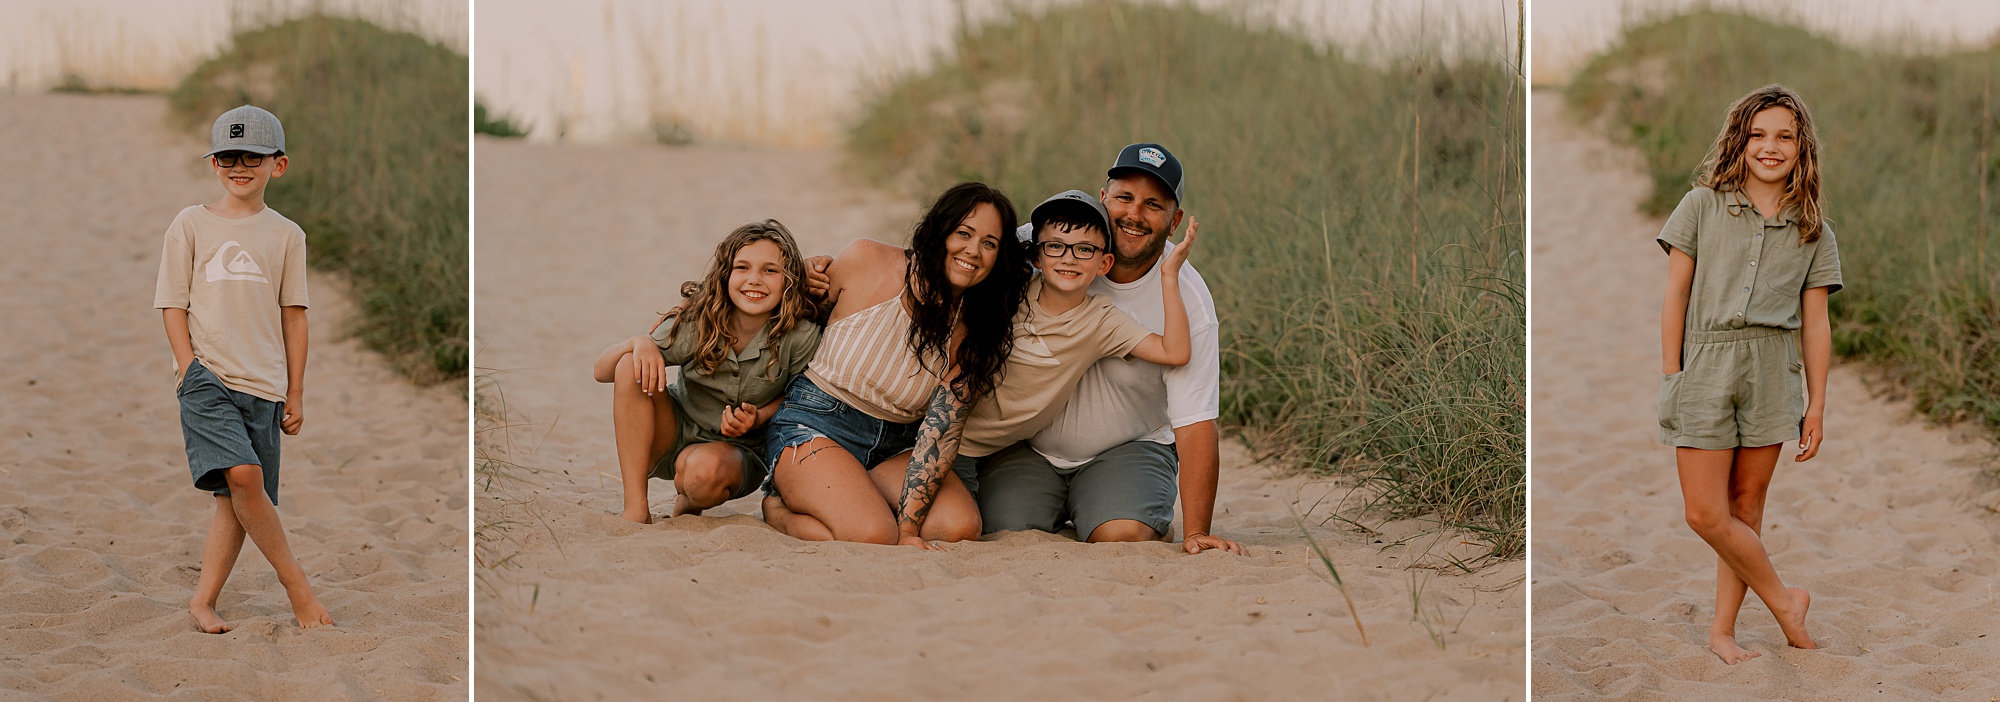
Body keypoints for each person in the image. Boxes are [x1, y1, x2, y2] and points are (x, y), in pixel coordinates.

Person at [980, 143, 1246, 554]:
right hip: (1030, 446)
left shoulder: (1187, 298)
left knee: (1120, 535)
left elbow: (1196, 420)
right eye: (1124, 198)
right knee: (1003, 527)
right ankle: (1068, 505)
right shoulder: (1052, 243)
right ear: (1103, 199)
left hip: (1128, 449)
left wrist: (1197, 531)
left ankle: (1125, 510)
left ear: (1174, 221)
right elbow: (962, 260)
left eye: (1152, 205)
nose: (1134, 215)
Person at [890, 189, 1198, 543]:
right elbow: (942, 270)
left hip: (987, 453)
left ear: (1104, 263)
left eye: (1085, 249)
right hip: (937, 436)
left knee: (963, 528)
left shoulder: (1101, 320)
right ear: (1037, 256)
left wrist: (1170, 274)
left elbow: (1175, 352)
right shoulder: (1009, 293)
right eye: (1056, 246)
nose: (1069, 258)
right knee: (927, 524)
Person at [1657, 84, 1840, 664]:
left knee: (1746, 508)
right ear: (1740, 139)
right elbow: (1675, 297)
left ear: (1801, 148)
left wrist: (1815, 404)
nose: (1771, 146)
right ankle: (1786, 601)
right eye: (1759, 134)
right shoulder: (1701, 206)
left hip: (1773, 370)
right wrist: (1674, 375)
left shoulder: (1814, 229)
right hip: (1706, 363)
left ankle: (1723, 631)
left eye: (1785, 136)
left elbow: (1816, 325)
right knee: (1704, 513)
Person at [761, 182, 1030, 548]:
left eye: (989, 243)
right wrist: (805, 276)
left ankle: (851, 491)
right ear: (940, 232)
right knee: (872, 535)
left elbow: (941, 432)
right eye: (963, 233)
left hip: (896, 444)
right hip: (816, 422)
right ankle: (778, 507)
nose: (973, 251)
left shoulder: (978, 326)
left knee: (957, 528)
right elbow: (800, 316)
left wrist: (907, 529)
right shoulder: (867, 258)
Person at [154, 105, 332, 632]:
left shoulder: (287, 235)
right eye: (228, 156)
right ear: (213, 163)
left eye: (251, 157)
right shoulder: (189, 224)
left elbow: (294, 316)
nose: (239, 166)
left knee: (236, 498)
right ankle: (297, 587)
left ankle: (202, 600)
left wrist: (295, 392)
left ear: (277, 165)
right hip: (207, 377)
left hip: (266, 384)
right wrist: (189, 368)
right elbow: (172, 303)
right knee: (244, 475)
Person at [592, 220, 822, 524]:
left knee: (700, 475)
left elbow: (802, 397)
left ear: (789, 281)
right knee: (629, 364)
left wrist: (760, 416)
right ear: (725, 275)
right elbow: (601, 371)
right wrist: (638, 343)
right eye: (742, 268)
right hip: (672, 432)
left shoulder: (800, 335)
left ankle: (690, 504)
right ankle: (636, 508)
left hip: (737, 453)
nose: (754, 280)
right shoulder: (700, 320)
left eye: (770, 270)